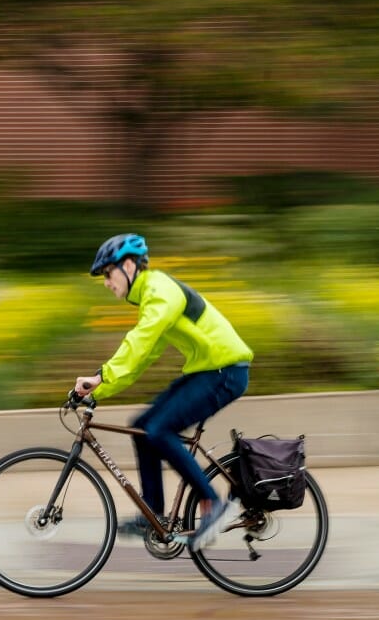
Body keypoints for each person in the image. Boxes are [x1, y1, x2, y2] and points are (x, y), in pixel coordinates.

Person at [74, 233, 253, 550]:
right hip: (208, 371)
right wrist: (98, 392)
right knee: (143, 427)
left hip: (224, 372)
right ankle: (152, 512)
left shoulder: (160, 290)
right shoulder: (151, 298)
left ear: (128, 266)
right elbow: (143, 356)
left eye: (107, 273)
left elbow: (140, 340)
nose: (106, 282)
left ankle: (213, 504)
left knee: (158, 430)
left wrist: (101, 375)